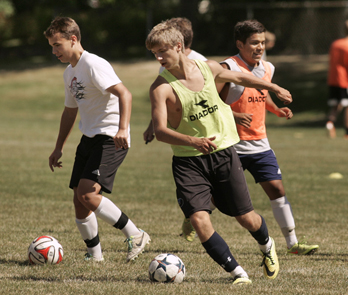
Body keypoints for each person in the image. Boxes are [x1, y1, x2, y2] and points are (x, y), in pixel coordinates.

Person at [146, 21, 292, 284]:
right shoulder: (161, 88)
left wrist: (273, 87)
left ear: (179, 47)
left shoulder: (208, 67)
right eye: (154, 53)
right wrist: (193, 140)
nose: (158, 58)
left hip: (224, 153)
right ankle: (238, 273)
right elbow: (160, 131)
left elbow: (239, 77)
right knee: (200, 221)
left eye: (162, 51)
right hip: (188, 161)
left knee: (246, 218)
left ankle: (267, 246)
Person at [44, 17, 150, 262]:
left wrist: (123, 129)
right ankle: (95, 256)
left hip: (111, 136)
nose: (53, 51)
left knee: (88, 194)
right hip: (89, 137)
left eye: (57, 45)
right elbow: (70, 111)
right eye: (51, 46)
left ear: (73, 39)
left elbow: (125, 93)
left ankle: (136, 234)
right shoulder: (69, 73)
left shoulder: (93, 64)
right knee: (79, 202)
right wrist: (58, 148)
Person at [216, 20, 319, 256]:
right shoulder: (228, 67)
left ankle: (292, 243)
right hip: (231, 145)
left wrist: (276, 109)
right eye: (254, 43)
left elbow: (261, 95)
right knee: (222, 195)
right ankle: (195, 217)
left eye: (262, 42)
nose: (259, 47)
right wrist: (233, 114)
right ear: (239, 44)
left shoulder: (268, 68)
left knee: (276, 188)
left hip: (260, 143)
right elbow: (210, 102)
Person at [143, 17, 207, 242]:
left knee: (220, 193)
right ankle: (194, 215)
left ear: (178, 41)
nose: (159, 56)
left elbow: (216, 96)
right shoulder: (166, 65)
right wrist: (152, 126)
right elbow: (164, 100)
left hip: (211, 135)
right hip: (186, 143)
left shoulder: (200, 63)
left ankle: (195, 215)